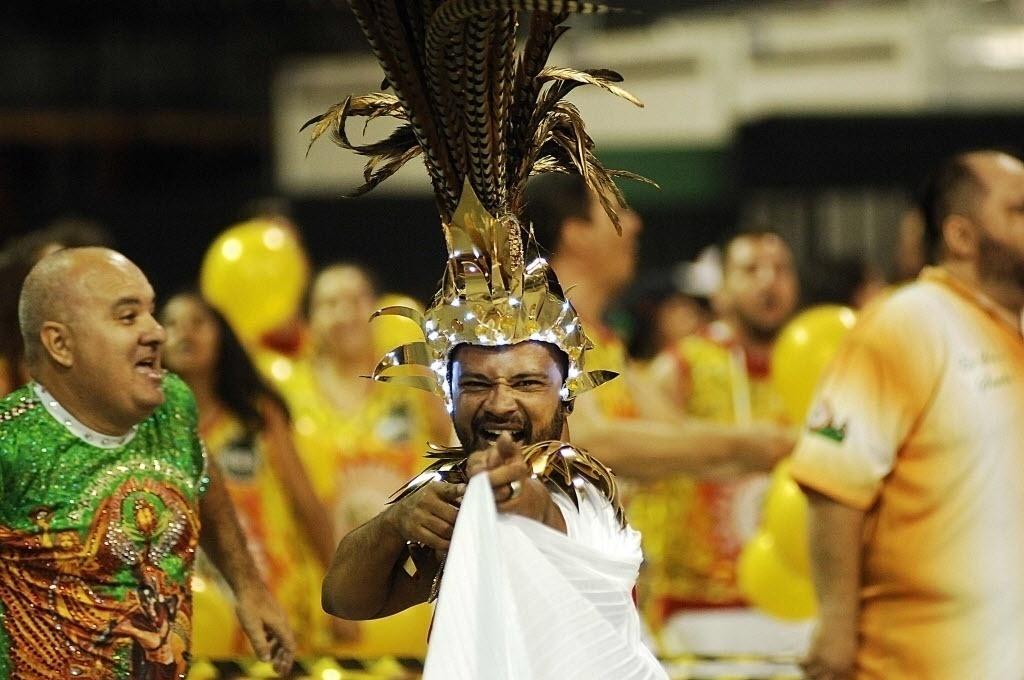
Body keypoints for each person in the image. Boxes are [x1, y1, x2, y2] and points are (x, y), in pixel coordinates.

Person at [306, 4, 667, 676]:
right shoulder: (447, 494)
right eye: (476, 383)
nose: (500, 403)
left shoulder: (576, 493)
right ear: (446, 396)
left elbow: (527, 507)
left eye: (527, 382)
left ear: (565, 397)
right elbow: (345, 598)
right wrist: (395, 524)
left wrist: (501, 490)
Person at [0, 247, 294, 678]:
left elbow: (203, 479)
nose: (157, 333)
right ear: (60, 344)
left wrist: (248, 587)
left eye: (151, 312)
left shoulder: (174, 406)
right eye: (127, 316)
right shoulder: (12, 446)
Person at [792, 150, 1024, 679]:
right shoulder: (907, 321)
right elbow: (833, 483)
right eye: (1019, 210)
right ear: (963, 237)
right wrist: (835, 624)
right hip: (911, 663)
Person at [522, 174, 794, 483]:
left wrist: (778, 447)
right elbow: (584, 440)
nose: (635, 224)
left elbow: (674, 432)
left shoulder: (604, 342)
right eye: (617, 211)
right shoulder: (535, 329)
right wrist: (744, 445)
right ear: (576, 234)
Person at [276, 263, 452, 654]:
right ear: (310, 319)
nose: (345, 313)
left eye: (357, 300)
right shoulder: (287, 392)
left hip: (414, 598)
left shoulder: (411, 383)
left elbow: (454, 447)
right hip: (320, 592)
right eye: (330, 303)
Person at [643, 230, 803, 652]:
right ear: (721, 290)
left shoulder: (818, 366)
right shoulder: (679, 368)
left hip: (796, 605)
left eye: (781, 269)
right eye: (751, 269)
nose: (769, 281)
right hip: (698, 608)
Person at [160, 291, 333, 657]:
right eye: (171, 324)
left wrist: (342, 596)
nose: (184, 333)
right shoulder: (149, 427)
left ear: (223, 336)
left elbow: (306, 502)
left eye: (197, 323)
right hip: (185, 612)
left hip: (275, 594)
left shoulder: (256, 415)